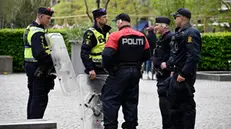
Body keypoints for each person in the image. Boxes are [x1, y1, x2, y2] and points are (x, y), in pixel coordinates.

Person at [101, 13, 150, 129]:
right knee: (131, 102)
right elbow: (147, 54)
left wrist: (110, 69)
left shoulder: (115, 35)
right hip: (135, 73)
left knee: (110, 101)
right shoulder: (141, 36)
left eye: (116, 22)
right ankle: (131, 126)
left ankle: (111, 126)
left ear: (120, 22)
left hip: (119, 72)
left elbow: (106, 55)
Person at [161, 8, 202, 129]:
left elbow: (193, 56)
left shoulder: (191, 32)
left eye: (176, 17)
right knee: (175, 106)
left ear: (182, 17)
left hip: (183, 76)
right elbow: (178, 54)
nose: (175, 19)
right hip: (176, 74)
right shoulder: (182, 32)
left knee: (186, 106)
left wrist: (183, 74)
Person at [23, 7, 55, 119]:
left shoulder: (30, 28)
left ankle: (31, 122)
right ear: (41, 16)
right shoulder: (37, 32)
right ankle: (35, 123)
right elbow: (40, 54)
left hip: (31, 66)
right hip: (38, 67)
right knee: (39, 98)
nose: (49, 21)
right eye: (48, 18)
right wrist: (53, 60)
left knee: (33, 96)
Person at [150, 16, 174, 129]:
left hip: (166, 77)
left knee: (167, 108)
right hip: (161, 77)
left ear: (164, 26)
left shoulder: (170, 37)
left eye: (157, 25)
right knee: (164, 108)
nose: (155, 27)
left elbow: (176, 54)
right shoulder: (162, 37)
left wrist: (168, 65)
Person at [80, 8, 111, 79]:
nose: (107, 19)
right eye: (104, 17)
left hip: (105, 69)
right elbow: (84, 53)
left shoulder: (107, 32)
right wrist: (90, 69)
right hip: (95, 69)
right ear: (97, 19)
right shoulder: (90, 33)